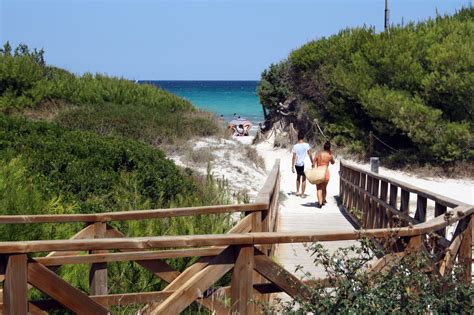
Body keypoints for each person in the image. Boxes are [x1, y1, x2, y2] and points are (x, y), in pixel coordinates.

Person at [313, 141, 335, 208]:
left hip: (319, 171)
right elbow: (333, 162)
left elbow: (313, 162)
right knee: (324, 188)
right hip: (326, 172)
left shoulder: (318, 154)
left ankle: (319, 202)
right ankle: (323, 200)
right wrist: (331, 156)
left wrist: (313, 168)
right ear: (329, 148)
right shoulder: (329, 155)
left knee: (319, 188)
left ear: (324, 147)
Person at [291, 130, 313, 197]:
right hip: (304, 164)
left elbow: (294, 157)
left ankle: (297, 191)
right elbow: (310, 155)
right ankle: (302, 193)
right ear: (303, 137)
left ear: (298, 137)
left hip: (297, 164)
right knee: (304, 178)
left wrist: (292, 166)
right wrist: (312, 162)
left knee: (298, 177)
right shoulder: (306, 145)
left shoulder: (295, 146)